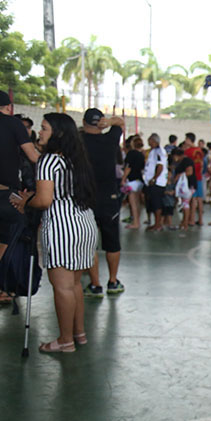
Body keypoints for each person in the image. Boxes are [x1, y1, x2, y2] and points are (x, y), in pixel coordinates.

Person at [11, 113, 98, 352]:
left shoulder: (48, 161)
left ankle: (64, 340)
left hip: (62, 228)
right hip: (85, 223)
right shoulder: (75, 159)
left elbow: (45, 200)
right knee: (75, 285)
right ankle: (79, 334)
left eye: (44, 128)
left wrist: (26, 202)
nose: (39, 132)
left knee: (62, 287)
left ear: (57, 133)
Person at [81, 108, 125, 297]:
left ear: (84, 122)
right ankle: (113, 282)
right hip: (109, 198)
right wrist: (111, 122)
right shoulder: (110, 139)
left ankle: (95, 284)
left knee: (90, 243)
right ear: (101, 122)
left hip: (85, 198)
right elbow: (121, 122)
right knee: (112, 241)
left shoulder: (79, 142)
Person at [0, 90, 40, 264]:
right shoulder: (13, 124)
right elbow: (33, 157)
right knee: (14, 237)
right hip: (7, 194)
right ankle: (4, 286)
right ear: (8, 107)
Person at [144, 134, 168, 232]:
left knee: (157, 203)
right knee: (153, 203)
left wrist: (154, 178)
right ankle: (156, 223)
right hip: (151, 182)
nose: (148, 142)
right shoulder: (152, 151)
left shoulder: (160, 151)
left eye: (149, 140)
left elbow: (160, 166)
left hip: (157, 182)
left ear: (154, 141)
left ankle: (158, 224)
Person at [121, 136, 145, 229]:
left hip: (131, 181)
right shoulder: (141, 155)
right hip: (139, 180)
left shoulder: (131, 153)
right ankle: (137, 220)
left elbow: (128, 167)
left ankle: (135, 222)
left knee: (132, 202)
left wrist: (123, 178)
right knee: (137, 202)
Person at [183, 132, 204, 227]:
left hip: (192, 177)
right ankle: (200, 219)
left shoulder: (188, 152)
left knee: (192, 199)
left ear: (188, 139)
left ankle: (191, 219)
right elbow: (202, 164)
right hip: (199, 176)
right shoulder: (199, 150)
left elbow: (185, 164)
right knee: (199, 199)